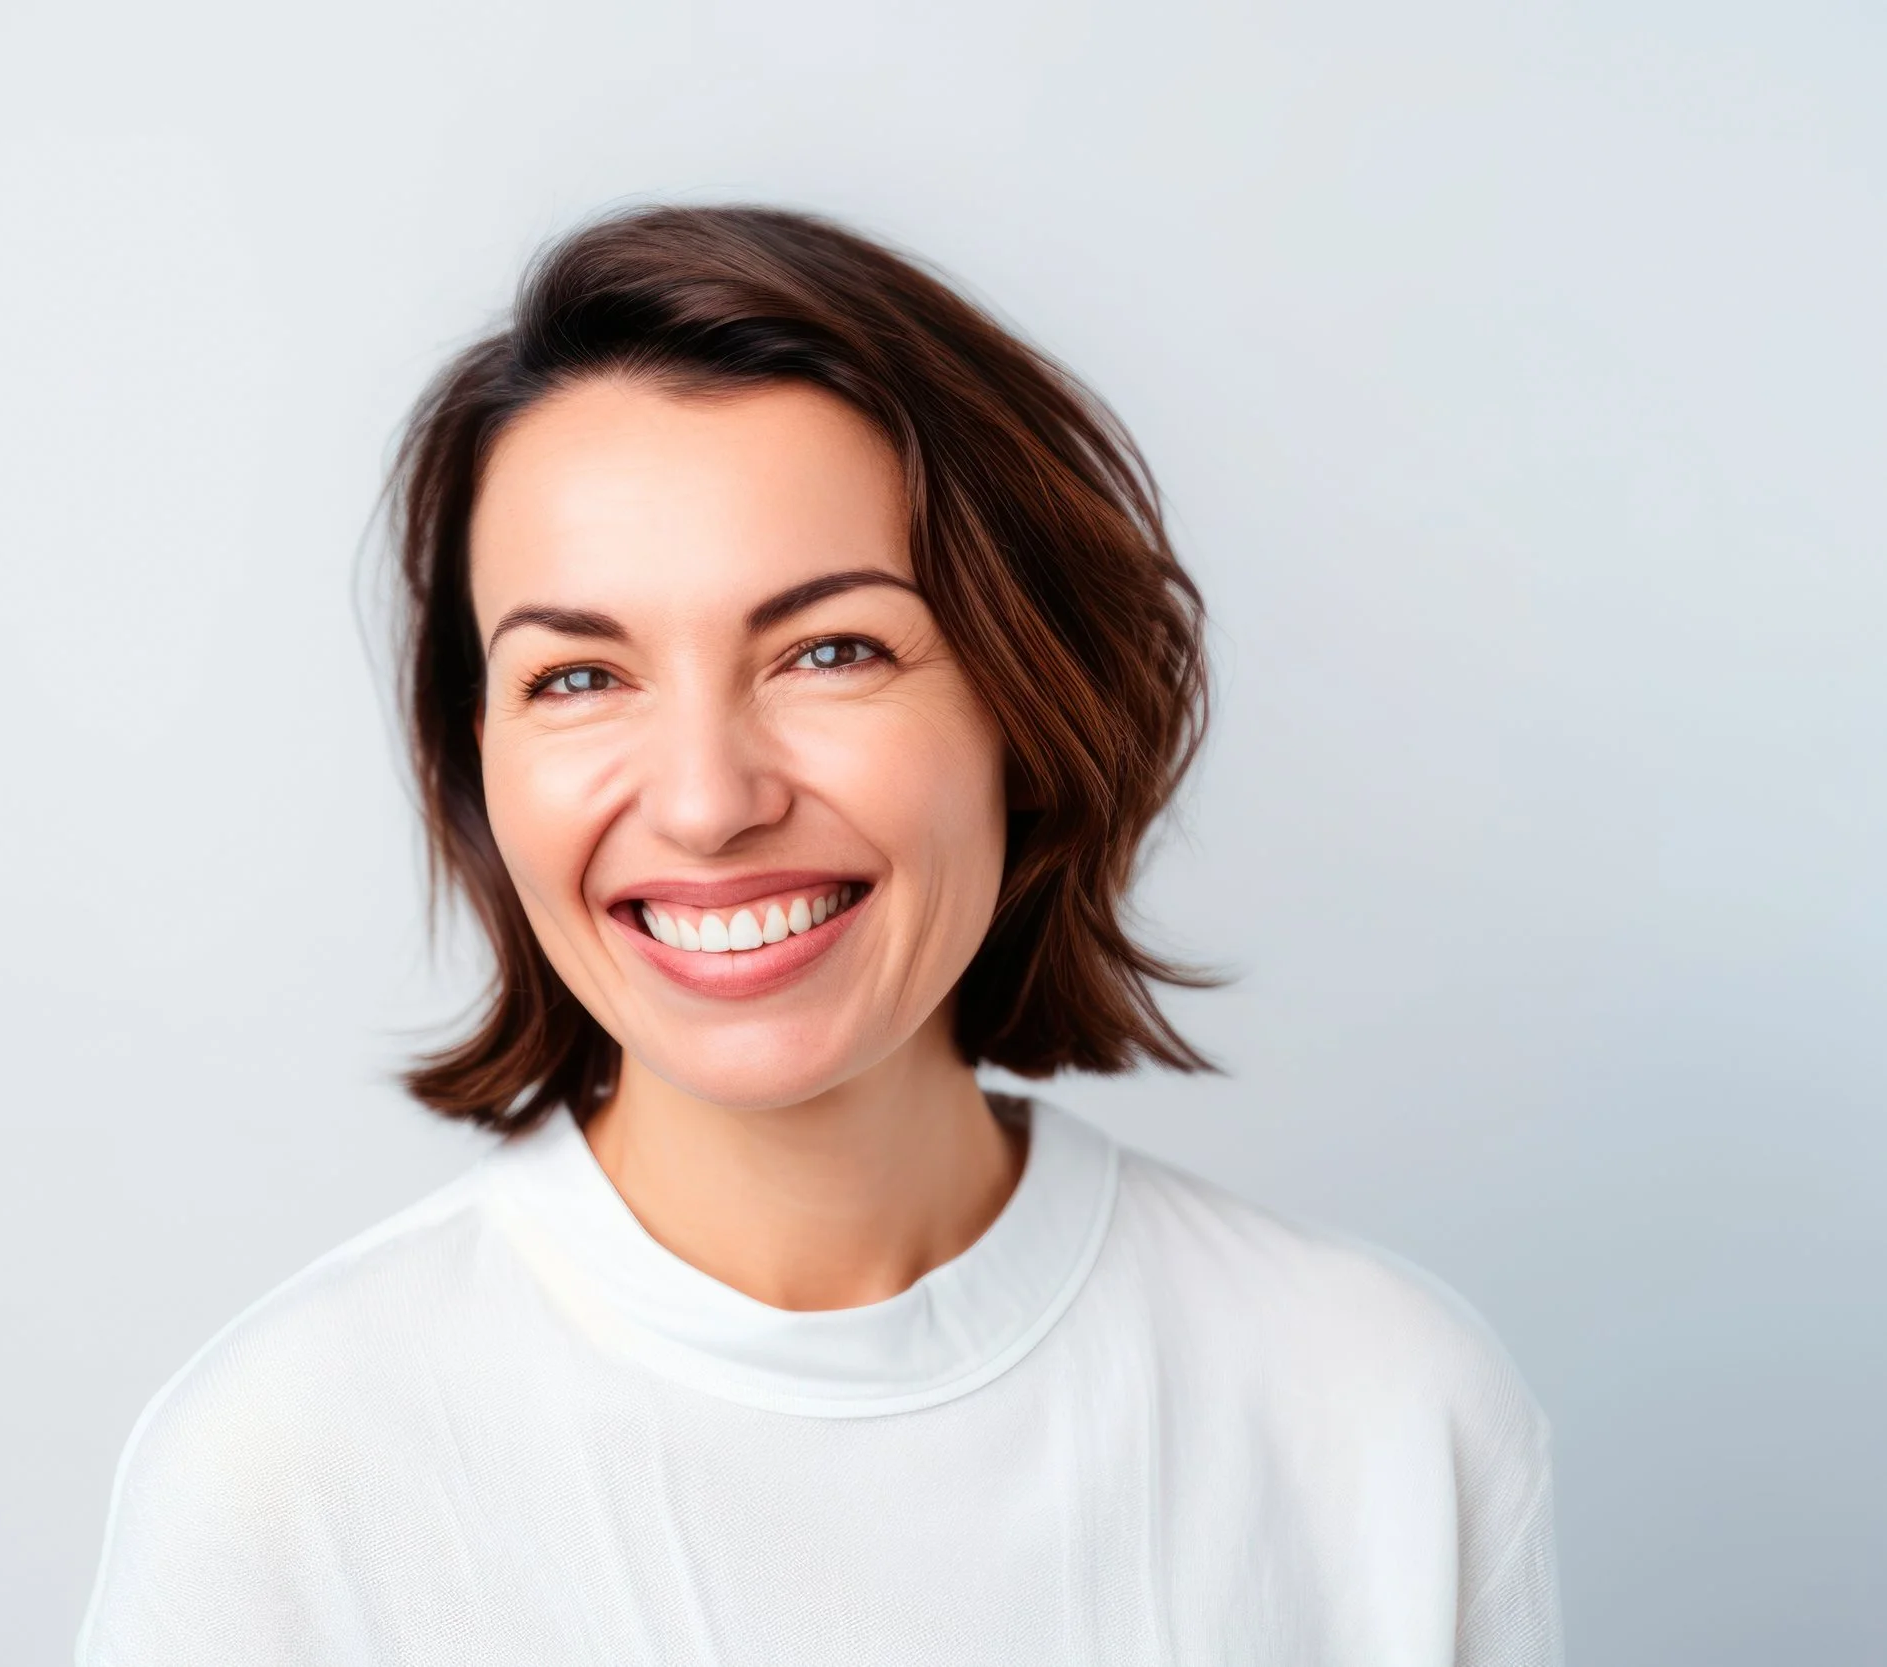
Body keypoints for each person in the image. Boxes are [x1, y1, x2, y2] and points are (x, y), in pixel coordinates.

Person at [75, 204, 1561, 1665]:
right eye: (578, 677)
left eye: (831, 649)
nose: (710, 800)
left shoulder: (1379, 1415)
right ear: (476, 763)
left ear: (1026, 709)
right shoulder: (282, 1480)